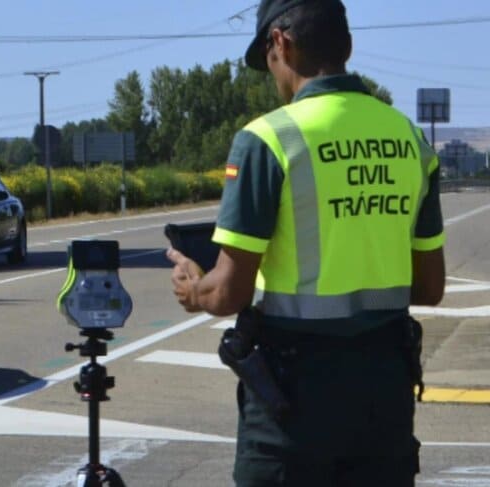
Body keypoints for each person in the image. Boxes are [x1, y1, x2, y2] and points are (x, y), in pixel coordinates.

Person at [167, 0, 445, 485]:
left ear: (281, 43)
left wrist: (194, 288)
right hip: (384, 399)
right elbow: (429, 286)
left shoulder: (268, 140)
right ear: (348, 47)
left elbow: (229, 293)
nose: (273, 75)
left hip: (292, 404)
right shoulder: (410, 139)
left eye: (269, 60)